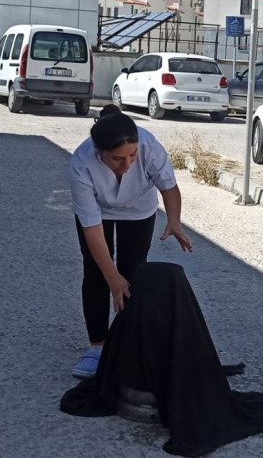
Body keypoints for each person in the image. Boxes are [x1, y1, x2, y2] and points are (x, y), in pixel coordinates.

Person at [68, 104, 193, 379]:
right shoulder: (81, 162)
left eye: (132, 156)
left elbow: (169, 187)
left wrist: (174, 220)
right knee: (98, 272)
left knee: (134, 272)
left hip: (139, 208)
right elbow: (91, 228)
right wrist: (111, 276)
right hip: (98, 210)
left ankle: (129, 342)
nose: (127, 165)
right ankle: (97, 348)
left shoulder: (149, 145)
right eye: (117, 159)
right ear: (99, 152)